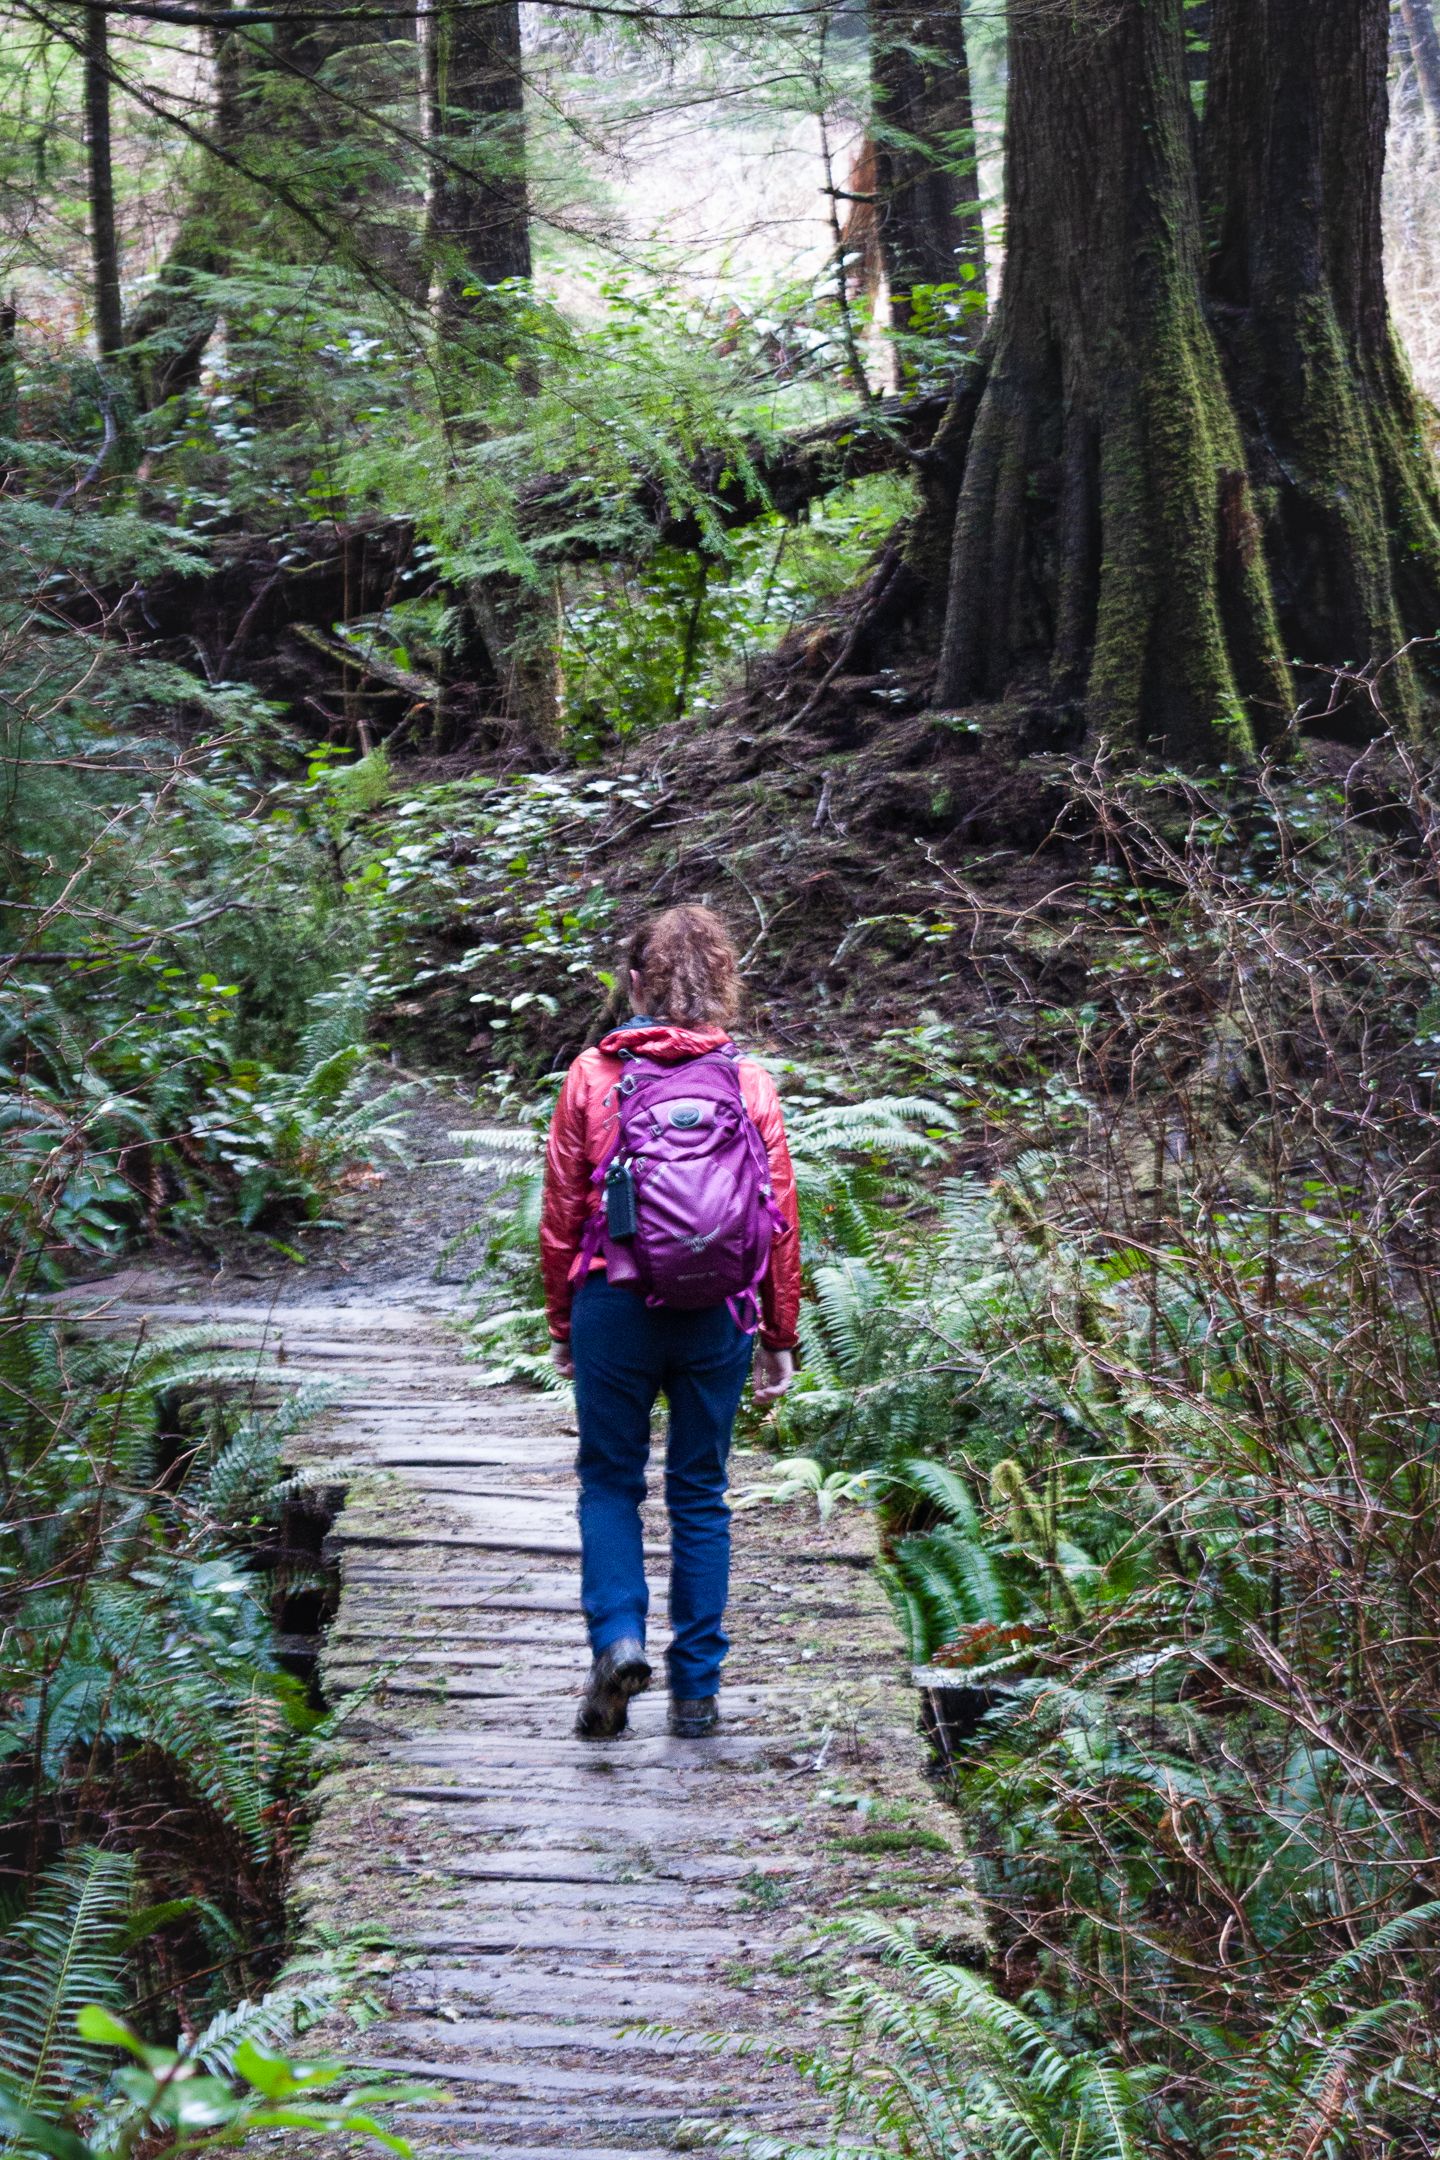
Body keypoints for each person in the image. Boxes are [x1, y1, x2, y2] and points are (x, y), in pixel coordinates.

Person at [540, 904, 800, 1741]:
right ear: (725, 980)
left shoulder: (592, 1075)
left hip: (611, 1302)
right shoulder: (747, 1082)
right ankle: (696, 1693)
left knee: (610, 1482)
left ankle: (617, 1641)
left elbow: (563, 1210)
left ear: (637, 980)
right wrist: (778, 1333)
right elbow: (780, 1216)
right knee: (700, 1492)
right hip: (716, 1309)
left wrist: (560, 1320)